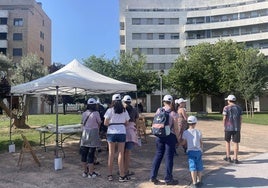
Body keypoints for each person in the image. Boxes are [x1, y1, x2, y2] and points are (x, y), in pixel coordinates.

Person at [149, 95, 180, 185]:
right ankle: (168, 178)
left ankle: (153, 176)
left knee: (158, 155)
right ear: (172, 102)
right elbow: (176, 129)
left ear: (163, 102)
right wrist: (178, 139)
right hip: (170, 136)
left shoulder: (159, 110)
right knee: (169, 157)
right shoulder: (174, 113)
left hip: (159, 135)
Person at [104, 94, 130, 182]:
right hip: (121, 132)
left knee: (111, 154)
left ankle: (109, 175)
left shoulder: (109, 110)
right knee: (120, 154)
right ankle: (122, 175)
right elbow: (127, 123)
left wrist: (112, 123)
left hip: (111, 132)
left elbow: (105, 123)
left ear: (113, 101)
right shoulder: (124, 110)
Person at [80, 98, 102, 178]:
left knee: (84, 153)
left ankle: (85, 172)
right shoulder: (96, 113)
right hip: (93, 133)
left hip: (85, 133)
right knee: (91, 153)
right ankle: (91, 173)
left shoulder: (84, 113)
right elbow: (99, 122)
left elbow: (82, 123)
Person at [181, 115, 204, 188]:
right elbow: (201, 142)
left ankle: (194, 182)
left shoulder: (186, 132)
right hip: (198, 151)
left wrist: (179, 143)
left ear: (188, 123)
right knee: (199, 166)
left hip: (190, 151)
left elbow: (184, 142)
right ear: (195, 123)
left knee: (192, 167)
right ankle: (200, 181)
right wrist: (201, 150)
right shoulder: (198, 132)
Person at [222, 94, 243, 164]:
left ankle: (228, 157)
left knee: (227, 142)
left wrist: (224, 126)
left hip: (228, 127)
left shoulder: (226, 108)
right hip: (237, 128)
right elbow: (240, 118)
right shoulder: (239, 108)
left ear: (229, 101)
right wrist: (240, 126)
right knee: (236, 143)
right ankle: (235, 158)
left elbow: (224, 118)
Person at [122, 95, 139, 177]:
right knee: (128, 153)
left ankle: (121, 170)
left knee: (121, 152)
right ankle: (126, 170)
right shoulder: (135, 110)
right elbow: (137, 121)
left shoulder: (121, 110)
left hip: (122, 131)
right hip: (131, 131)